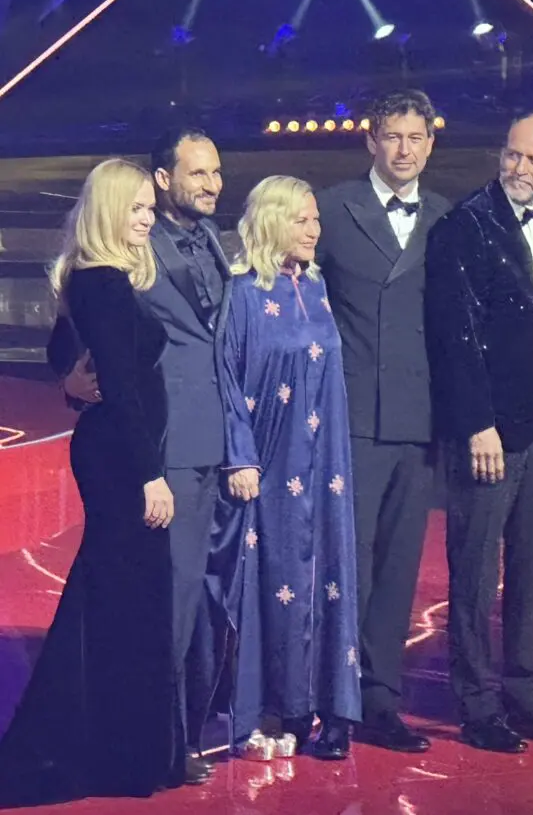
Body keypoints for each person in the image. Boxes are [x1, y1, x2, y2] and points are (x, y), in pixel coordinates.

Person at [49, 126, 229, 782]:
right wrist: (69, 376)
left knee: (153, 601)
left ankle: (144, 735)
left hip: (192, 441)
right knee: (152, 603)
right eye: (138, 209)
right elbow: (94, 359)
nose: (146, 220)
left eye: (217, 171)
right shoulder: (107, 269)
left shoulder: (194, 245)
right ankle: (150, 744)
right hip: (144, 453)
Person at [0, 160, 179, 802]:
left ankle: (116, 748)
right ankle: (96, 751)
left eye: (149, 209)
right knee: (117, 600)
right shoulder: (101, 281)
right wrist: (151, 476)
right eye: (135, 208)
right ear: (106, 209)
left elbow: (64, 349)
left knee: (111, 600)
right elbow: (123, 386)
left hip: (116, 452)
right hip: (122, 462)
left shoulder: (97, 280)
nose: (146, 217)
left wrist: (67, 379)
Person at [425, 112, 533, 753]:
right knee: (472, 565)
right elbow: (454, 337)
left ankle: (526, 695)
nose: (518, 168)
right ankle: (476, 702)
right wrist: (476, 425)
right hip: (488, 428)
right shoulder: (466, 225)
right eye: (511, 155)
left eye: (532, 160)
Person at [316, 90, 449, 753]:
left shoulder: (447, 218)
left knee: (399, 568)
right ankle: (331, 702)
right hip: (349, 415)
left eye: (415, 137)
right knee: (348, 564)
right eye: (392, 136)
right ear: (370, 141)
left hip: (418, 420)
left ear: (430, 143)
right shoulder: (332, 209)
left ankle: (380, 700)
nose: (403, 149)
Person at [217, 176, 361, 760]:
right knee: (274, 580)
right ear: (273, 221)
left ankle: (332, 708)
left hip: (327, 462)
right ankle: (280, 706)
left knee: (327, 570)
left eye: (316, 220)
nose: (313, 229)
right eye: (302, 219)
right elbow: (225, 377)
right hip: (271, 464)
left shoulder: (318, 288)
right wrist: (240, 455)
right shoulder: (245, 294)